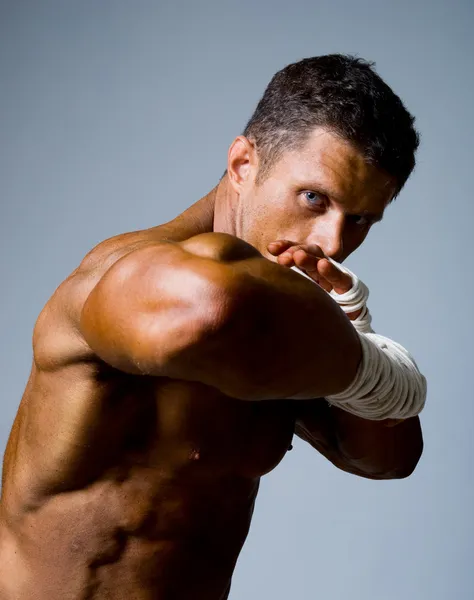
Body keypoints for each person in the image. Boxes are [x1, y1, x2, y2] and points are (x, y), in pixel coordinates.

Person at [0, 54, 425, 600]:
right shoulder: (120, 276)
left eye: (360, 219)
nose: (333, 242)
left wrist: (354, 330)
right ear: (244, 164)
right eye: (314, 198)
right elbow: (205, 317)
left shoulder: (290, 321)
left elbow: (389, 457)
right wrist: (368, 363)